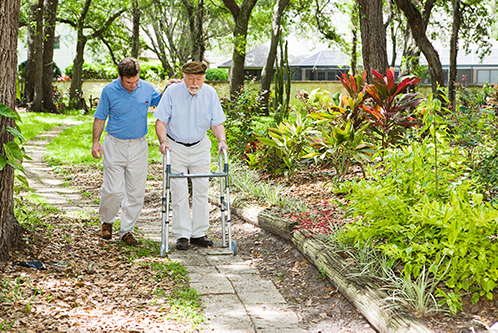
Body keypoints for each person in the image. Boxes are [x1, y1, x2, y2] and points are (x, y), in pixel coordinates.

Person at [154, 61, 229, 250]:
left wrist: (221, 140)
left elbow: (217, 123)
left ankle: (198, 233)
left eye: (199, 78)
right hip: (175, 146)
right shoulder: (172, 92)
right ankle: (182, 234)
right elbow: (161, 122)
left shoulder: (210, 93)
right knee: (178, 190)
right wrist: (163, 141)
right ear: (184, 77)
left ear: (204, 78)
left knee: (202, 188)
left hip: (200, 146)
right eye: (190, 78)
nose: (194, 83)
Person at [92, 57, 162, 246]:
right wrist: (95, 142)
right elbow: (100, 117)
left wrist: (171, 88)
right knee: (113, 189)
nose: (133, 85)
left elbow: (162, 101)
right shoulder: (109, 91)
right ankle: (107, 222)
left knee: (136, 190)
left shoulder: (146, 88)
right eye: (129, 82)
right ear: (120, 77)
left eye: (136, 81)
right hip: (114, 144)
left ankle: (127, 230)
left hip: (139, 145)